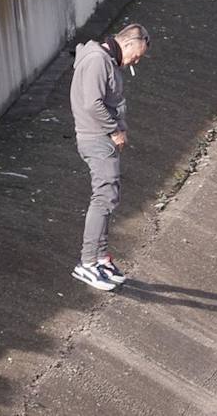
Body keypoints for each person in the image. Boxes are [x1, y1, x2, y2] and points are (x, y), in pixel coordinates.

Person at [70, 22, 151, 291]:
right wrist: (115, 130)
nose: (135, 62)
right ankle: (88, 263)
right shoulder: (97, 61)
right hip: (96, 138)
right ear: (126, 44)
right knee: (103, 198)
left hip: (100, 138)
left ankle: (101, 258)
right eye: (136, 56)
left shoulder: (106, 61)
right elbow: (92, 103)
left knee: (109, 196)